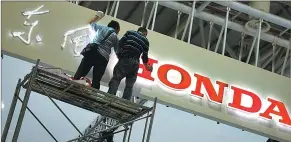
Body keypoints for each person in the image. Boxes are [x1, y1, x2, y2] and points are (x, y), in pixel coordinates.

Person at [74, 11, 120, 90]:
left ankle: (73, 85)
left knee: (81, 72)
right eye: (119, 30)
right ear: (116, 28)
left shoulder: (101, 27)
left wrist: (97, 16)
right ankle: (93, 93)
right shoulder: (115, 37)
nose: (118, 32)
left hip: (92, 52)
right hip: (103, 58)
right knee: (96, 79)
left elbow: (90, 23)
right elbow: (117, 51)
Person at [107, 27, 153, 100]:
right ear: (144, 33)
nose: (145, 36)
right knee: (129, 85)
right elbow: (144, 56)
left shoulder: (130, 33)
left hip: (125, 59)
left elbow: (120, 43)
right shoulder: (146, 41)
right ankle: (125, 102)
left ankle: (109, 98)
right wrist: (147, 66)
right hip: (135, 63)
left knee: (116, 79)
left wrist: (119, 54)